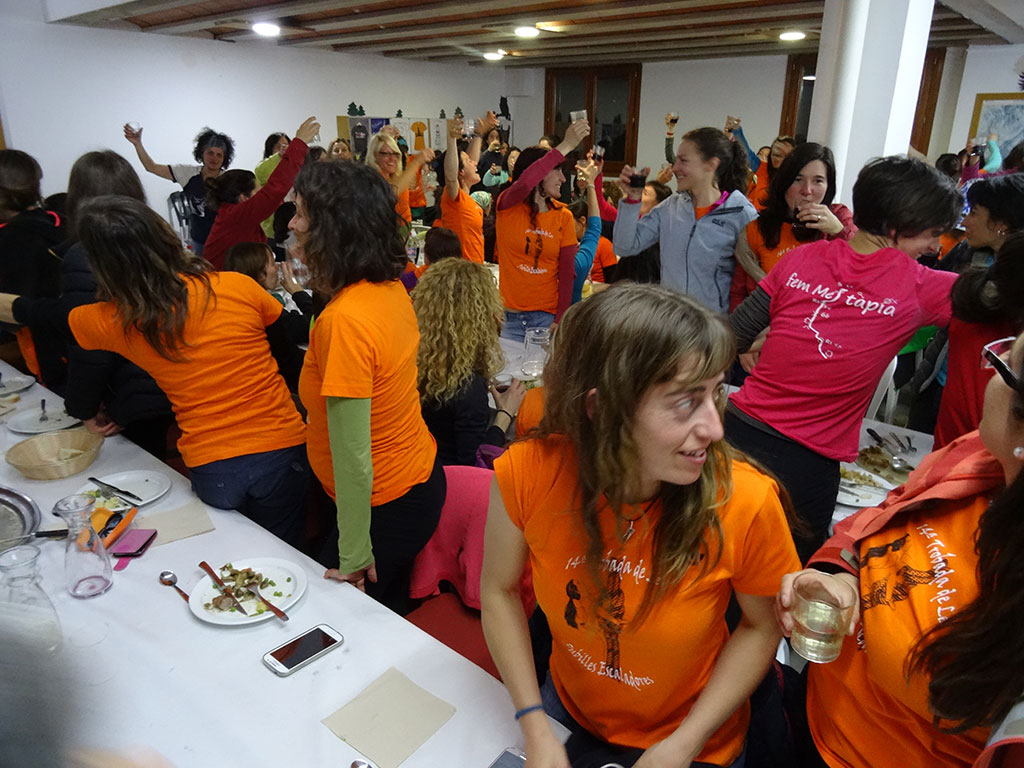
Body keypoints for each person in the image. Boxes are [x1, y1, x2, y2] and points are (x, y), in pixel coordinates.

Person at [481, 284, 800, 768]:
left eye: (716, 393)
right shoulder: (529, 473)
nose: (715, 429)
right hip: (565, 711)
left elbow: (761, 626)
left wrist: (685, 744)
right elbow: (498, 591)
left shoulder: (746, 501)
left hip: (691, 736)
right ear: (602, 410)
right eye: (685, 402)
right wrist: (533, 722)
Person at [776, 332, 1024, 768]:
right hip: (816, 715)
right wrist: (840, 573)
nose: (989, 367)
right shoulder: (977, 455)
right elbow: (888, 510)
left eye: (1004, 360)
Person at [728, 156, 963, 562]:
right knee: (788, 576)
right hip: (804, 464)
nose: (935, 246)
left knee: (720, 561)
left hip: (736, 435)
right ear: (898, 227)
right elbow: (1000, 299)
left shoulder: (801, 258)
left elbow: (732, 335)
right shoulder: (922, 284)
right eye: (932, 233)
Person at [66, 195, 309, 547]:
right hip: (280, 449)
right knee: (286, 552)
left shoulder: (116, 320)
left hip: (213, 465)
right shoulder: (238, 286)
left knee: (235, 553)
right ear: (165, 236)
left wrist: (86, 410)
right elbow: (287, 358)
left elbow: (74, 324)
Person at [290, 160, 445, 614]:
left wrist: (355, 553)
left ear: (332, 229)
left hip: (384, 504)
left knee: (335, 620)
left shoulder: (346, 320)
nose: (292, 225)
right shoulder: (386, 288)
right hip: (410, 483)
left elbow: (354, 456)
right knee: (385, 614)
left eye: (300, 214)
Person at [613, 127, 757, 313]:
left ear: (711, 164)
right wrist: (633, 199)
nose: (675, 168)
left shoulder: (741, 213)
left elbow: (754, 282)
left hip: (713, 325)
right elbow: (624, 247)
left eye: (683, 160)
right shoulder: (670, 207)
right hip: (672, 322)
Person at [412, 257, 526, 465]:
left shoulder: (414, 360)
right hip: (448, 478)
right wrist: (505, 414)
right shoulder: (468, 387)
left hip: (418, 465)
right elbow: (476, 463)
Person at [729, 142, 856, 310]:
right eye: (798, 179)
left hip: (822, 322)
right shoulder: (757, 228)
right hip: (766, 321)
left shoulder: (840, 217)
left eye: (818, 181)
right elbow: (738, 293)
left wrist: (838, 231)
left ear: (829, 186)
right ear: (784, 183)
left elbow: (868, 267)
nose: (807, 190)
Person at [495, 119, 590, 341]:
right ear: (540, 173)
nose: (563, 179)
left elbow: (567, 274)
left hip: (545, 319)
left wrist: (561, 317)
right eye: (557, 171)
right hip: (508, 317)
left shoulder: (563, 216)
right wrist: (566, 145)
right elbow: (524, 184)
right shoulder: (507, 205)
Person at [201, 116, 318, 269]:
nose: (262, 192)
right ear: (243, 197)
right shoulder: (237, 216)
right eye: (257, 190)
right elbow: (276, 188)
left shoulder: (235, 217)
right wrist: (299, 143)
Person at [0, 149, 63, 382]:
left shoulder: (10, 239)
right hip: (80, 338)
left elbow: (13, 311)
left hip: (44, 344)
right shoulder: (59, 220)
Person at [123, 124, 234, 255]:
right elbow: (151, 167)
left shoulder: (230, 179)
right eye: (210, 153)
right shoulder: (187, 173)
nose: (214, 158)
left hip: (223, 241)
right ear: (202, 153)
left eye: (219, 155)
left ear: (224, 158)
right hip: (198, 241)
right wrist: (138, 144)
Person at [436, 114, 493, 264]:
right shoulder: (454, 197)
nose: (475, 163)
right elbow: (451, 177)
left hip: (475, 267)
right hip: (460, 269)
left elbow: (470, 161)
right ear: (460, 172)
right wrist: (451, 139)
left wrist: (479, 134)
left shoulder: (467, 198)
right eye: (468, 161)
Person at [366, 129, 435, 232]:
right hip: (386, 231)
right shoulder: (372, 179)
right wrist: (417, 162)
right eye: (385, 154)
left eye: (395, 154)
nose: (392, 158)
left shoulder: (394, 175)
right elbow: (392, 192)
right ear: (374, 155)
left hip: (404, 227)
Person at [253, 132, 291, 240]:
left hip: (292, 225)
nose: (282, 149)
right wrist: (279, 156)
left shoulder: (295, 167)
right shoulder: (263, 168)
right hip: (270, 227)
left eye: (285, 145)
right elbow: (260, 171)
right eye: (277, 147)